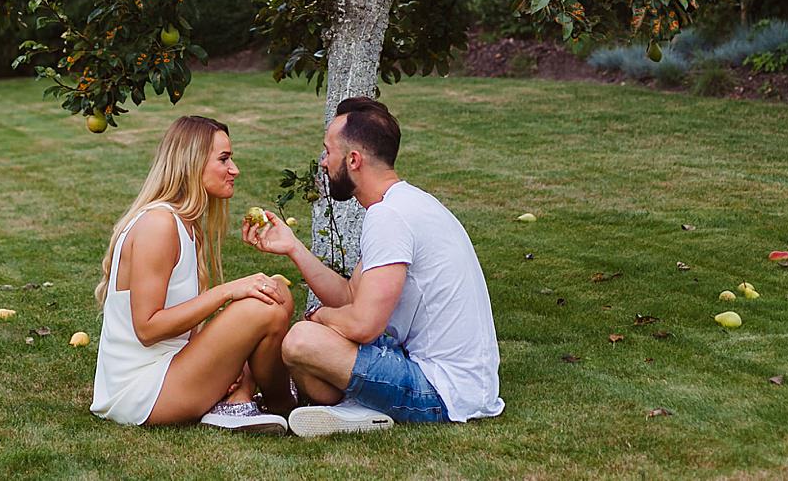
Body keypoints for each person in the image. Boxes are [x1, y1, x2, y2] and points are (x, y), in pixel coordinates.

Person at [243, 97, 504, 438]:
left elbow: (364, 325)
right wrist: (293, 248)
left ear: (353, 160)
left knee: (303, 340)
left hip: (443, 391)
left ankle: (360, 409)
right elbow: (351, 295)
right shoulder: (403, 204)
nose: (323, 162)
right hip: (447, 378)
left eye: (327, 151)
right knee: (310, 349)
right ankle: (357, 410)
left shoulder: (389, 216)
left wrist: (319, 318)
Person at [91, 115, 296, 433]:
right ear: (192, 162)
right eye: (224, 159)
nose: (235, 170)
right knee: (262, 303)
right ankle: (282, 406)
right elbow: (147, 328)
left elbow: (188, 329)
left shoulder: (186, 225)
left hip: (174, 367)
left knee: (276, 293)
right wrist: (226, 291)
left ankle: (254, 402)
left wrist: (229, 360)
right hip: (141, 391)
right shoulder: (158, 224)